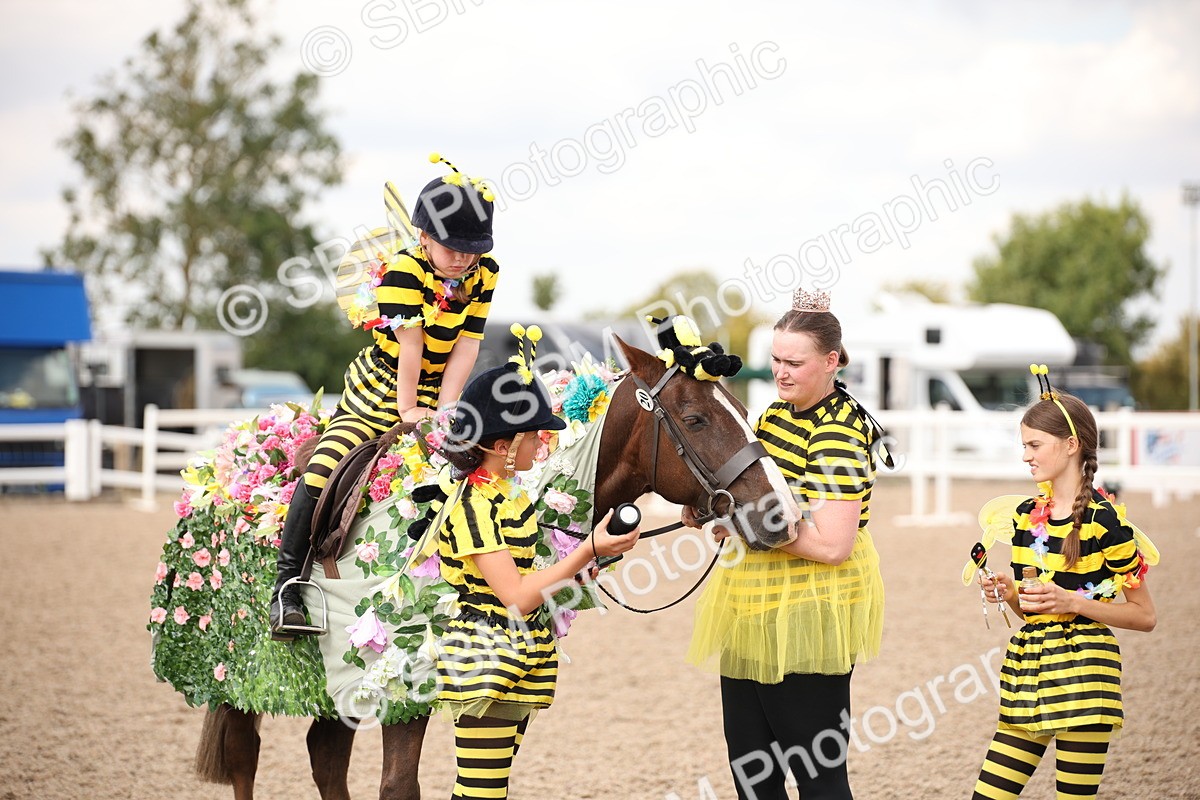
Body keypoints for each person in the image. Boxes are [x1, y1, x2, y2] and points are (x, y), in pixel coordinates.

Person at [271, 155, 500, 638]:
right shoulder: (402, 270)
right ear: (423, 237)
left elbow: (468, 343)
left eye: (470, 248)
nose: (462, 258)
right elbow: (411, 346)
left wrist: (447, 409)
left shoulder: (486, 273)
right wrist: (409, 411)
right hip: (383, 386)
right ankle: (286, 587)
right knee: (326, 464)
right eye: (451, 246)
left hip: (440, 388)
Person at [685, 287, 890, 800]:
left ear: (832, 361)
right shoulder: (773, 415)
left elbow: (831, 546)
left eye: (794, 363)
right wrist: (716, 509)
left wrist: (745, 526)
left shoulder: (841, 431)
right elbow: (755, 496)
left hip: (811, 608)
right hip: (754, 602)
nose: (780, 372)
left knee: (819, 778)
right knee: (752, 773)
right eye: (775, 360)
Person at [427, 361, 641, 799]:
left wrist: (579, 574)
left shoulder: (508, 492)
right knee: (482, 791)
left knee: (486, 787)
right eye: (534, 435)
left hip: (520, 649)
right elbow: (516, 597)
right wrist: (587, 550)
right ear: (502, 445)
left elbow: (530, 578)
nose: (544, 441)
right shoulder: (474, 507)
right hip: (487, 654)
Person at [971, 372, 1157, 800]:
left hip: (1086, 674)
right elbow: (1033, 612)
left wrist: (1072, 600)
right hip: (1029, 669)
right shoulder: (1023, 516)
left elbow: (1145, 616)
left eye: (1034, 445)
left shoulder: (1106, 522)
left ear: (1071, 445)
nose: (1025, 456)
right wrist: (1011, 593)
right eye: (1024, 445)